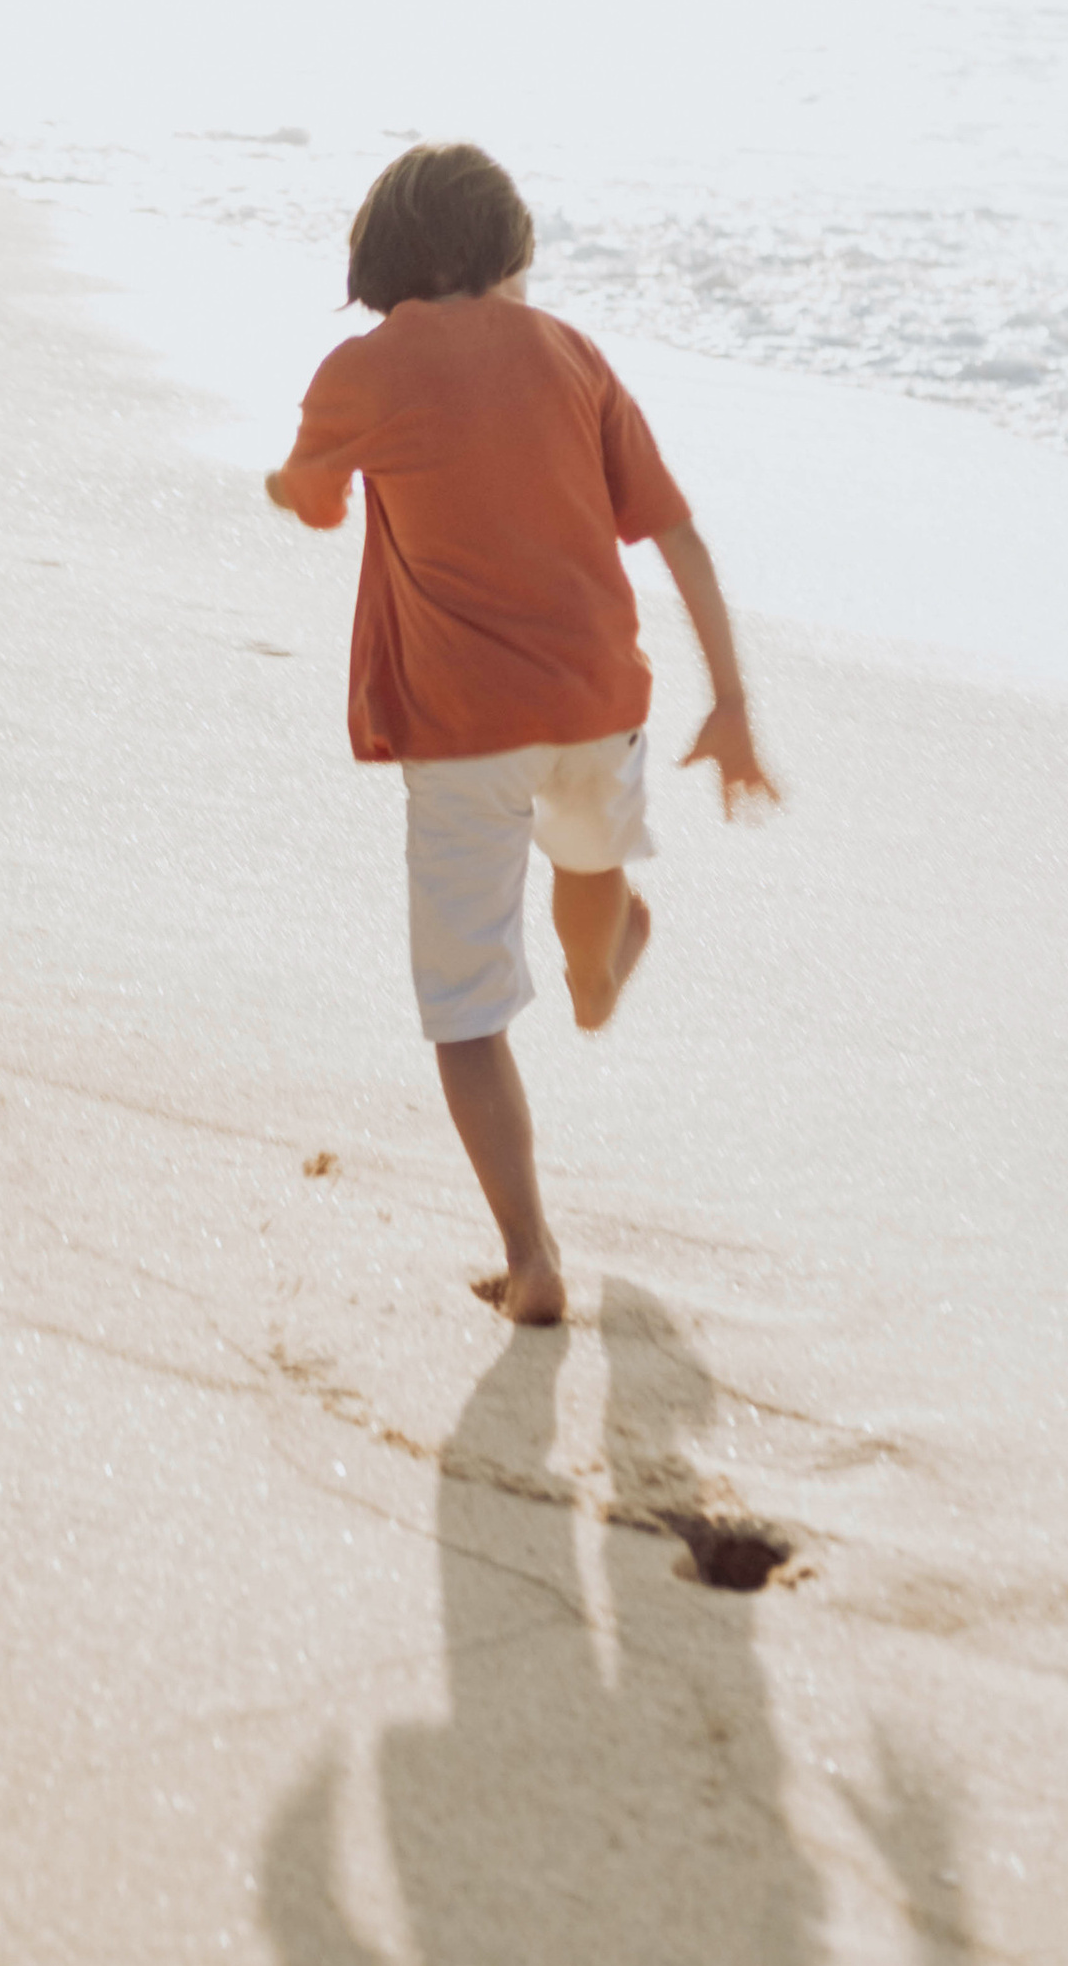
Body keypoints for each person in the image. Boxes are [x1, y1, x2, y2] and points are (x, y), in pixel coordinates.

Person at [265, 141, 777, 1328]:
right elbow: (676, 532)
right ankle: (598, 974)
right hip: (602, 707)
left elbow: (313, 497)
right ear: (502, 262)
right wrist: (733, 703)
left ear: (384, 268)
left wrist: (287, 489)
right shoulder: (573, 357)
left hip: (457, 735)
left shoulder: (363, 369)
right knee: (588, 863)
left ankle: (533, 1256)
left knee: (467, 1010)